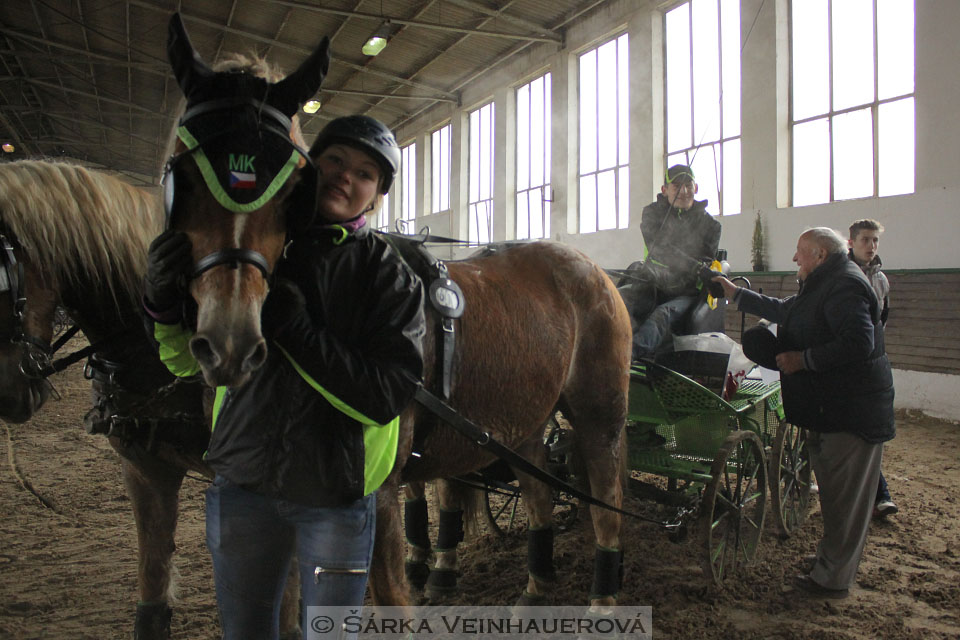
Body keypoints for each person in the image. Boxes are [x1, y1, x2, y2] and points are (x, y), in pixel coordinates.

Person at [142, 115, 426, 639]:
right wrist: (161, 305)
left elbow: (382, 396)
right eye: (335, 161)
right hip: (243, 484)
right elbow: (187, 364)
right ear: (308, 169)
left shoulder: (389, 275)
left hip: (335, 498)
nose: (345, 176)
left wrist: (295, 330)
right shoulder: (254, 249)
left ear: (377, 196)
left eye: (365, 173)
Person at [714, 227, 895, 599]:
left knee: (846, 501)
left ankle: (831, 581)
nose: (795, 259)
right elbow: (786, 309)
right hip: (834, 405)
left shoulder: (844, 286)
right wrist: (736, 294)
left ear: (821, 255)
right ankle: (831, 561)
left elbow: (859, 342)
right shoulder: (824, 283)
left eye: (800, 252)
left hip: (852, 409)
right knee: (834, 495)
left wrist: (804, 359)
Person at [620, 164, 721, 360]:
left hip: (686, 292)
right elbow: (660, 249)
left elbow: (705, 262)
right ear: (665, 190)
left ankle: (624, 358)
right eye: (676, 186)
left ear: (696, 188)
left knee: (662, 314)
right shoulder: (651, 214)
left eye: (688, 185)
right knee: (618, 300)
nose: (683, 192)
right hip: (653, 284)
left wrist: (695, 268)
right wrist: (694, 265)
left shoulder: (712, 226)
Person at [848, 218, 898, 519]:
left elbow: (882, 320)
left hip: (868, 361)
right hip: (844, 360)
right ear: (851, 242)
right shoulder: (840, 274)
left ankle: (879, 493)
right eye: (866, 240)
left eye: (875, 240)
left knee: (867, 430)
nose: (872, 246)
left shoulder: (881, 280)